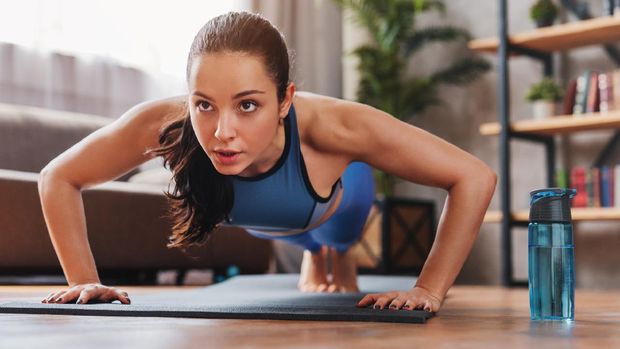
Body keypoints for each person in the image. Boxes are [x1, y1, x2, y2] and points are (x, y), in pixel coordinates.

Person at [39, 10, 496, 313]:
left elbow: (473, 176)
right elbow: (58, 176)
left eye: (248, 105)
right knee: (289, 231)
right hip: (267, 216)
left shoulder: (336, 127)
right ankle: (314, 253)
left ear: (284, 101)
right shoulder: (163, 123)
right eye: (204, 104)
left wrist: (429, 289)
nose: (222, 132)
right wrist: (84, 280)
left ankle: (332, 251)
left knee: (337, 236)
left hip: (337, 197)